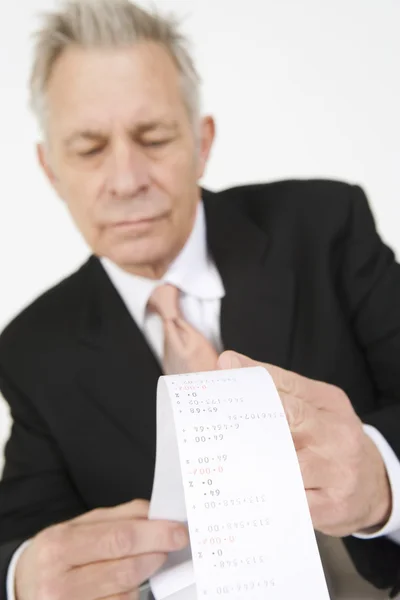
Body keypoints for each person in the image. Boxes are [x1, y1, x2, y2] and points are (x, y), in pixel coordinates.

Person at [0, 0, 400, 598]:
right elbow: (20, 535)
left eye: (154, 137)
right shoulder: (33, 348)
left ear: (202, 141)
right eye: (88, 149)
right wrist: (22, 577)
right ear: (51, 170)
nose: (128, 178)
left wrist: (385, 484)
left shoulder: (327, 228)